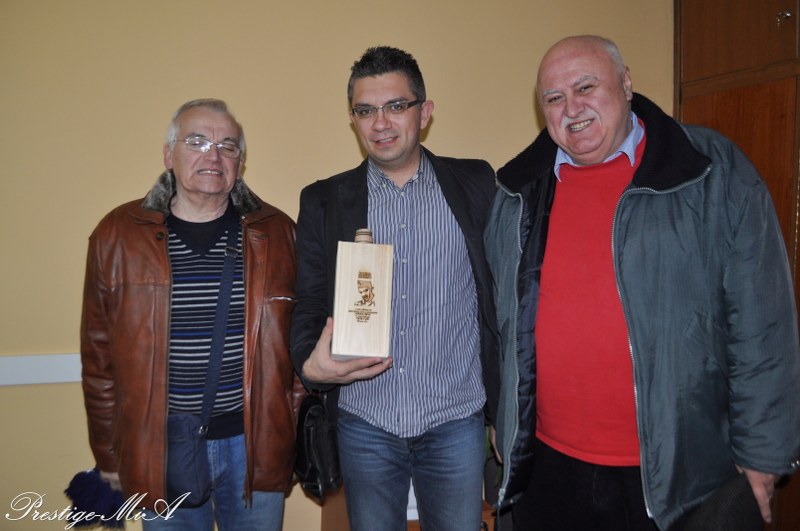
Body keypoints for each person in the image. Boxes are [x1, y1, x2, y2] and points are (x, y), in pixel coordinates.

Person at [484, 35, 800, 531]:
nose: (572, 108)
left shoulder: (711, 171)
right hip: (548, 467)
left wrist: (764, 452)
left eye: (586, 87)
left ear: (626, 82)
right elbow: (499, 325)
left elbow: (762, 321)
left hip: (678, 475)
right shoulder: (516, 192)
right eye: (554, 97)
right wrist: (504, 424)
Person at [290, 46, 499, 531]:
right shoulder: (324, 200)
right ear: (353, 120)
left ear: (425, 112)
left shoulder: (477, 184)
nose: (380, 123)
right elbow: (309, 302)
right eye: (365, 110)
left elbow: (501, 297)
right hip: (366, 421)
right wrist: (309, 365)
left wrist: (505, 411)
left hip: (456, 419)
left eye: (396, 106)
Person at [80, 98, 303, 530]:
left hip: (254, 447)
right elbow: (99, 361)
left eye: (228, 146)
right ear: (169, 154)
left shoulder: (277, 233)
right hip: (160, 449)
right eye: (197, 142)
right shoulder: (118, 235)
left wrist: (286, 438)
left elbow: (297, 350)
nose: (213, 156)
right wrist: (109, 456)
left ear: (240, 162)